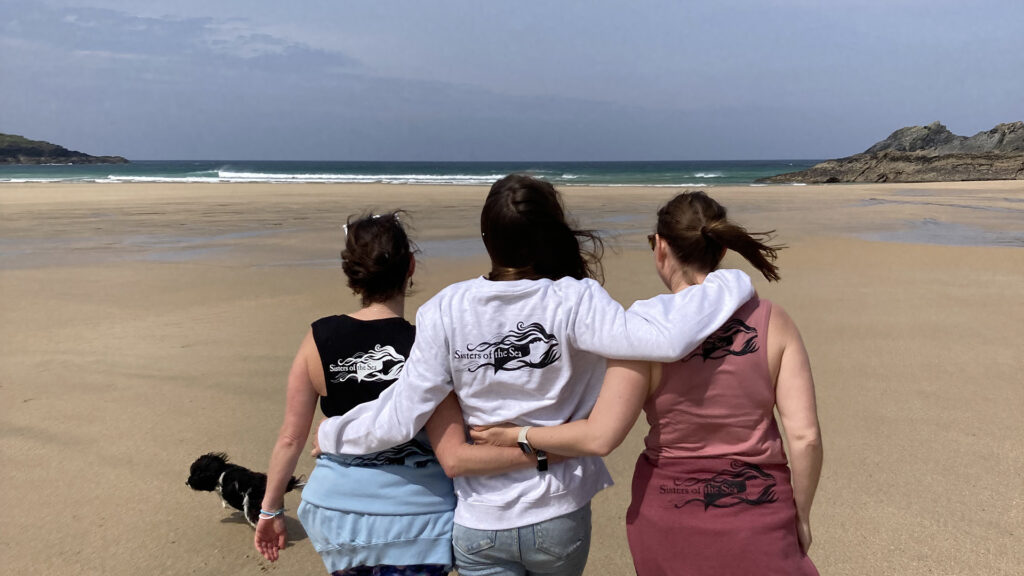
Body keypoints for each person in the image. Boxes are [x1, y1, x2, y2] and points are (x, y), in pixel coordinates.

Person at [316, 175, 757, 576]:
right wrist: (728, 282)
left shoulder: (445, 310)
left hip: (481, 521)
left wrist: (335, 434)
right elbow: (660, 338)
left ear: (487, 238)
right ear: (549, 236)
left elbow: (402, 410)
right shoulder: (575, 300)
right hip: (557, 513)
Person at [471, 191, 823, 576]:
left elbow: (599, 437)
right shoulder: (774, 321)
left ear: (660, 248)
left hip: (671, 512)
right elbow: (804, 437)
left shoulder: (641, 332)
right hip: (761, 508)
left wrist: (519, 434)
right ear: (721, 251)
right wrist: (800, 514)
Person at [255, 212, 545, 576]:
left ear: (352, 272)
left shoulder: (318, 337)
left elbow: (290, 437)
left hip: (336, 511)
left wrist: (270, 509)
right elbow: (461, 444)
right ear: (410, 266)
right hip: (417, 517)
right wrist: (546, 451)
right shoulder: (425, 344)